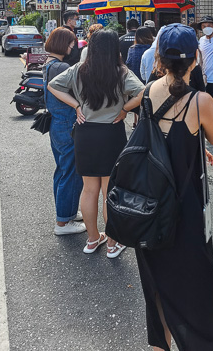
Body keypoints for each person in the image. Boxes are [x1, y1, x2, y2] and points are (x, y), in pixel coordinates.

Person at [134, 23, 213, 351]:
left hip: (148, 206)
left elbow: (152, 140)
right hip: (185, 210)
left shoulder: (146, 93)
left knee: (157, 285)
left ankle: (161, 345)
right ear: (196, 58)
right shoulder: (200, 101)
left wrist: (188, 142)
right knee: (194, 285)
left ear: (158, 57)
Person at [48, 30, 145, 258]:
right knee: (109, 191)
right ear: (114, 49)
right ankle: (112, 244)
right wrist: (124, 109)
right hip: (111, 133)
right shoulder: (121, 72)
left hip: (85, 134)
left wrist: (77, 106)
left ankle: (92, 240)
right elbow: (143, 92)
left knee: (89, 189)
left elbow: (53, 85)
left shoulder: (79, 69)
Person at [43, 27, 86, 236]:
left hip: (56, 123)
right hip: (66, 123)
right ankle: (63, 223)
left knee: (62, 170)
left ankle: (66, 212)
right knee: (70, 171)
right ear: (63, 44)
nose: (72, 48)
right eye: (71, 44)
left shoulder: (49, 63)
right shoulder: (60, 67)